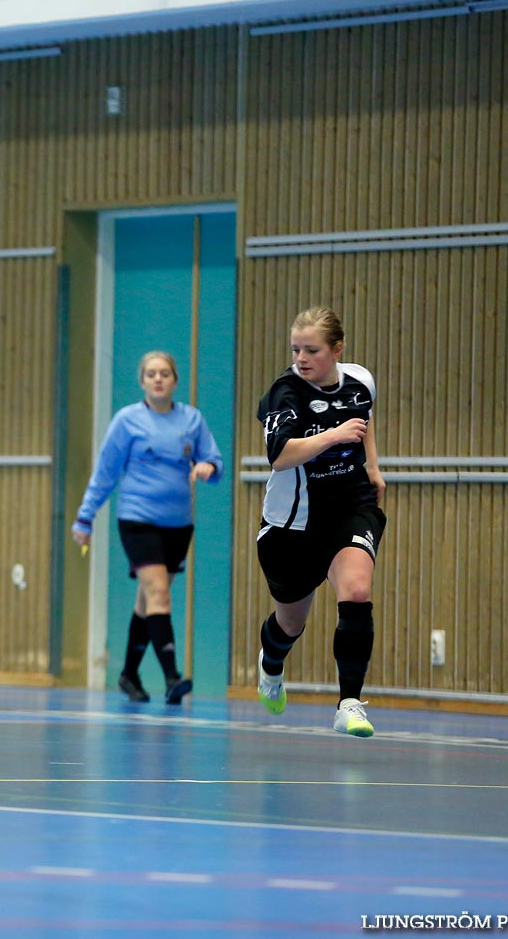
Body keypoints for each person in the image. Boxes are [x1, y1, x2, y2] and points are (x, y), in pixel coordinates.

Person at [254, 306, 386, 737]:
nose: (302, 358)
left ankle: (349, 703)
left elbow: (362, 425)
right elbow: (280, 455)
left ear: (337, 350)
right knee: (290, 623)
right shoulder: (285, 393)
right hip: (292, 523)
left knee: (357, 589)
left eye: (312, 350)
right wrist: (331, 435)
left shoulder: (361, 381)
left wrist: (373, 469)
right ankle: (270, 665)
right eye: (296, 349)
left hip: (349, 505)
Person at [71, 351, 223, 706]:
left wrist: (207, 470)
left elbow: (214, 462)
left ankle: (128, 674)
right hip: (138, 520)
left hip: (178, 524)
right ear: (142, 381)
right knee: (159, 594)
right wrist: (85, 517)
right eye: (151, 374)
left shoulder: (192, 420)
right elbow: (106, 473)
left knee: (148, 600)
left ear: (174, 380)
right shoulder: (128, 421)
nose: (158, 379)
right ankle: (172, 677)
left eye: (165, 373)